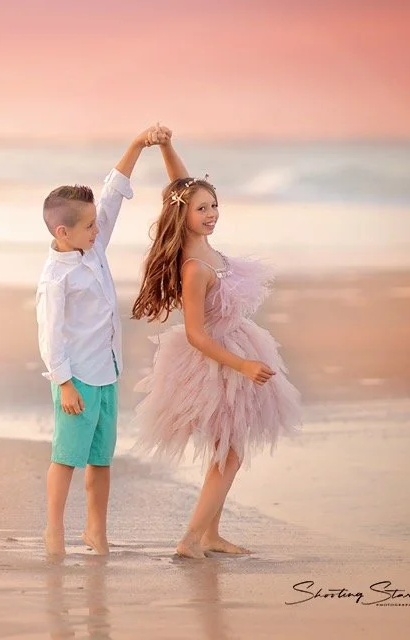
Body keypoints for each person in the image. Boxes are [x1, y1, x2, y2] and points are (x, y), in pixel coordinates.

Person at [130, 130, 302, 559]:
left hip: (236, 346)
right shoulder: (193, 267)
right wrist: (241, 365)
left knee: (227, 450)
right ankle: (190, 539)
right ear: (183, 216)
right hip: (214, 360)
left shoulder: (201, 241)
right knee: (228, 455)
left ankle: (210, 535)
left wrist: (167, 148)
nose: (211, 214)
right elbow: (195, 334)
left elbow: (181, 188)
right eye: (202, 209)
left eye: (214, 206)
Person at [36, 124, 168, 557]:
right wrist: (64, 382)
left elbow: (111, 195)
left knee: (100, 459)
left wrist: (137, 145)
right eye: (90, 226)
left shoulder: (91, 247)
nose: (99, 229)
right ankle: (54, 530)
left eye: (96, 224)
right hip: (77, 380)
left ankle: (96, 529)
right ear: (62, 233)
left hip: (106, 373)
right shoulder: (56, 278)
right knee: (66, 457)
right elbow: (50, 334)